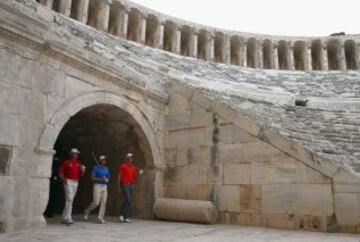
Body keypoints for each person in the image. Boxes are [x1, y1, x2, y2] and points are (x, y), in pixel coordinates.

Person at [59, 148, 86, 225]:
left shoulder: (78, 163)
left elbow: (81, 174)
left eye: (77, 153)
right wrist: (64, 180)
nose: (76, 155)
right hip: (68, 181)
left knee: (70, 200)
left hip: (75, 182)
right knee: (69, 199)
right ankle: (68, 218)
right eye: (74, 153)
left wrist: (83, 171)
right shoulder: (67, 162)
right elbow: (60, 171)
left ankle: (64, 217)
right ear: (71, 154)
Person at [84, 155, 110, 224]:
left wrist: (107, 179)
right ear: (100, 161)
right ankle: (87, 211)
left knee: (104, 202)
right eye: (102, 160)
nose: (104, 161)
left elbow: (108, 178)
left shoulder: (106, 168)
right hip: (97, 185)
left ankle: (100, 218)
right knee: (96, 202)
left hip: (104, 186)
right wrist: (101, 179)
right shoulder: (95, 167)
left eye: (105, 160)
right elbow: (92, 178)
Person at [118, 153, 143, 223]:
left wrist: (139, 173)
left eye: (131, 157)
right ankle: (121, 215)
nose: (130, 159)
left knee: (128, 201)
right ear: (126, 158)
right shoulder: (122, 166)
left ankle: (126, 217)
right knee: (128, 199)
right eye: (129, 157)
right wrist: (118, 186)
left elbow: (134, 177)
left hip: (131, 185)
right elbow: (119, 176)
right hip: (125, 184)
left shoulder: (133, 167)